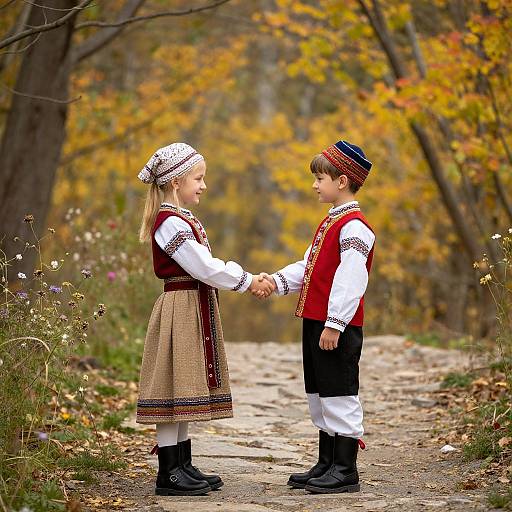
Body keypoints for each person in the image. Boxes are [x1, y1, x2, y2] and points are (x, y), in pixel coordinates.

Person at [136, 143, 273, 496]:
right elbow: (202, 266)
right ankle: (169, 472)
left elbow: (204, 267)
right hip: (180, 305)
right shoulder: (167, 222)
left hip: (193, 304)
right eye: (198, 178)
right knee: (173, 382)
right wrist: (246, 280)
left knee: (185, 380)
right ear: (175, 182)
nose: (204, 185)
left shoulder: (180, 218)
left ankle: (182, 462)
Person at [261, 140, 375, 494]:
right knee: (320, 393)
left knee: (340, 392)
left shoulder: (355, 227)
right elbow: (308, 267)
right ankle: (326, 462)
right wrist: (275, 282)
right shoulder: (331, 223)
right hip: (318, 321)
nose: (314, 184)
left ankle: (345, 470)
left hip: (335, 325)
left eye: (319, 178)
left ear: (341, 181)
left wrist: (335, 323)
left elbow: (350, 279)